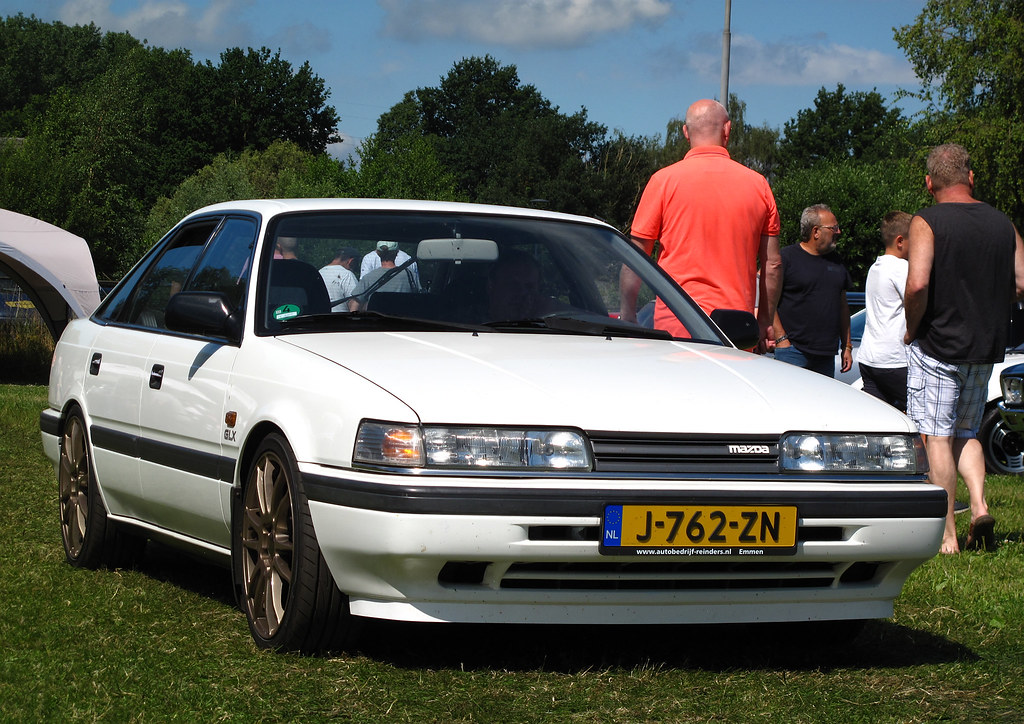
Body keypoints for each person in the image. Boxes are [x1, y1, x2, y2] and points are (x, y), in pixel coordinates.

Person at [904, 143, 1024, 554]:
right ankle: (979, 505)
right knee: (967, 430)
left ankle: (947, 537)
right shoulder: (1002, 223)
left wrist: (911, 327)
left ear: (928, 183)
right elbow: (1022, 282)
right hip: (985, 345)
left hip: (938, 345)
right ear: (970, 178)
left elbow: (917, 284)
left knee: (937, 437)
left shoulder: (927, 221)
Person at [624, 98, 781, 348]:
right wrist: (764, 321)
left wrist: (628, 314)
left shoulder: (662, 181)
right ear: (727, 129)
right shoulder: (758, 185)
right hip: (736, 328)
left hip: (676, 324)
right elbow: (772, 265)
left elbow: (635, 257)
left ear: (686, 132)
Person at [773, 204, 853, 378]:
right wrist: (781, 339)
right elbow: (769, 301)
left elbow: (843, 305)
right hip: (793, 353)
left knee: (821, 404)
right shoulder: (787, 258)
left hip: (825, 356)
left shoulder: (837, 262)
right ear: (815, 231)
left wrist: (847, 346)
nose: (838, 232)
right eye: (834, 228)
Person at [857, 211, 912, 410]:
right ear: (900, 241)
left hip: (869, 357)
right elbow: (917, 302)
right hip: (895, 359)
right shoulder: (901, 268)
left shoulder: (875, 267)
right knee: (922, 414)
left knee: (879, 419)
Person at [348, 240, 419, 311]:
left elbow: (355, 304)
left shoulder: (368, 277)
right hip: (403, 320)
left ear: (377, 253)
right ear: (397, 252)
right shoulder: (410, 275)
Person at [318, 247, 360, 311]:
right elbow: (354, 303)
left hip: (319, 318)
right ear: (351, 261)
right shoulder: (347, 275)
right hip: (340, 319)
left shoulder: (319, 273)